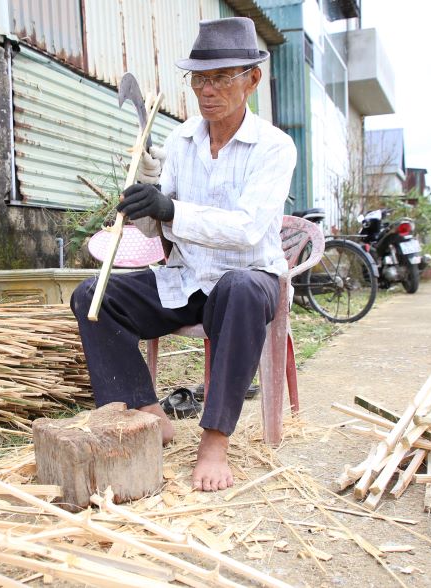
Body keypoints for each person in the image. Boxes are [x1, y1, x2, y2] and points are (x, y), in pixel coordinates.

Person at [70, 17, 296, 492]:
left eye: (220, 77)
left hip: (248, 281)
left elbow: (249, 229)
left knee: (237, 287)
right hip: (188, 278)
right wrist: (147, 199)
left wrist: (171, 208)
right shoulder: (180, 141)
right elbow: (159, 225)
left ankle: (214, 441)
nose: (207, 90)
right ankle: (148, 414)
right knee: (95, 294)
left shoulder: (274, 147)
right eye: (199, 78)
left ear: (252, 79)